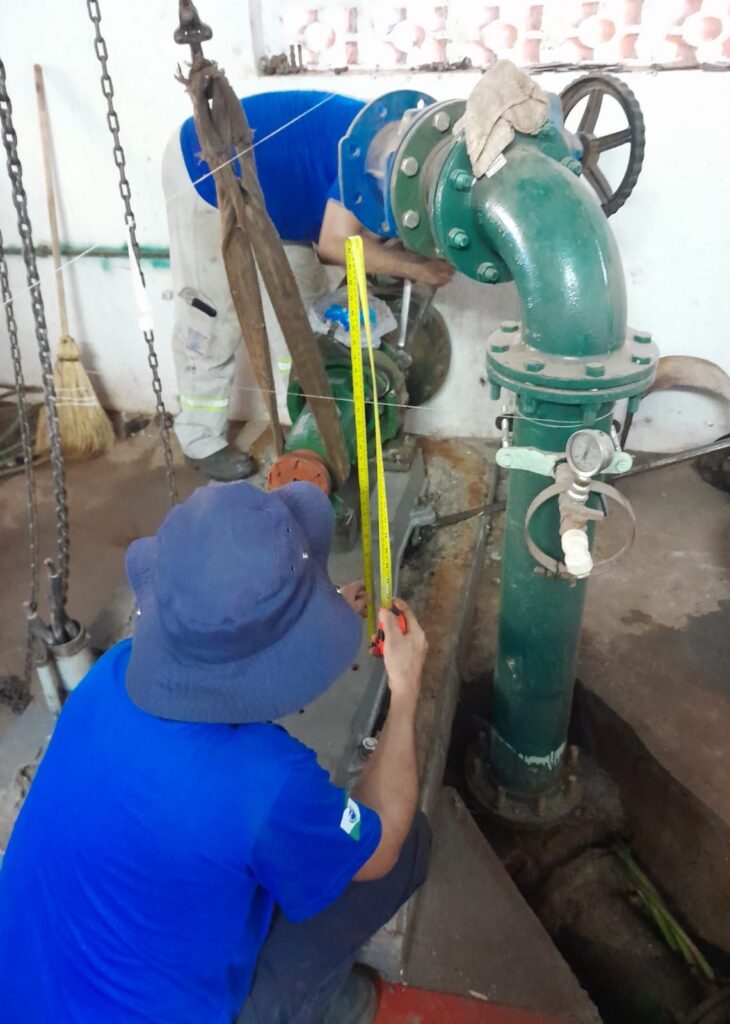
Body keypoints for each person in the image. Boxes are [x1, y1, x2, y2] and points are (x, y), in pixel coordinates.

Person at [0, 481, 431, 1024]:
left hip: (21, 996)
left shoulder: (113, 674)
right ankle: (305, 1006)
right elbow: (380, 845)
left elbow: (217, 673)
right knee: (407, 844)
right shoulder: (265, 783)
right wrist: (405, 689)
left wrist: (309, 623)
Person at [163, 89, 453, 482]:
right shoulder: (371, 156)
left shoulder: (404, 154)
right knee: (214, 313)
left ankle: (307, 418)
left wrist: (400, 255)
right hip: (205, 169)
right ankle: (199, 438)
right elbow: (335, 244)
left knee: (307, 313)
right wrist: (417, 268)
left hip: (277, 201)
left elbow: (352, 235)